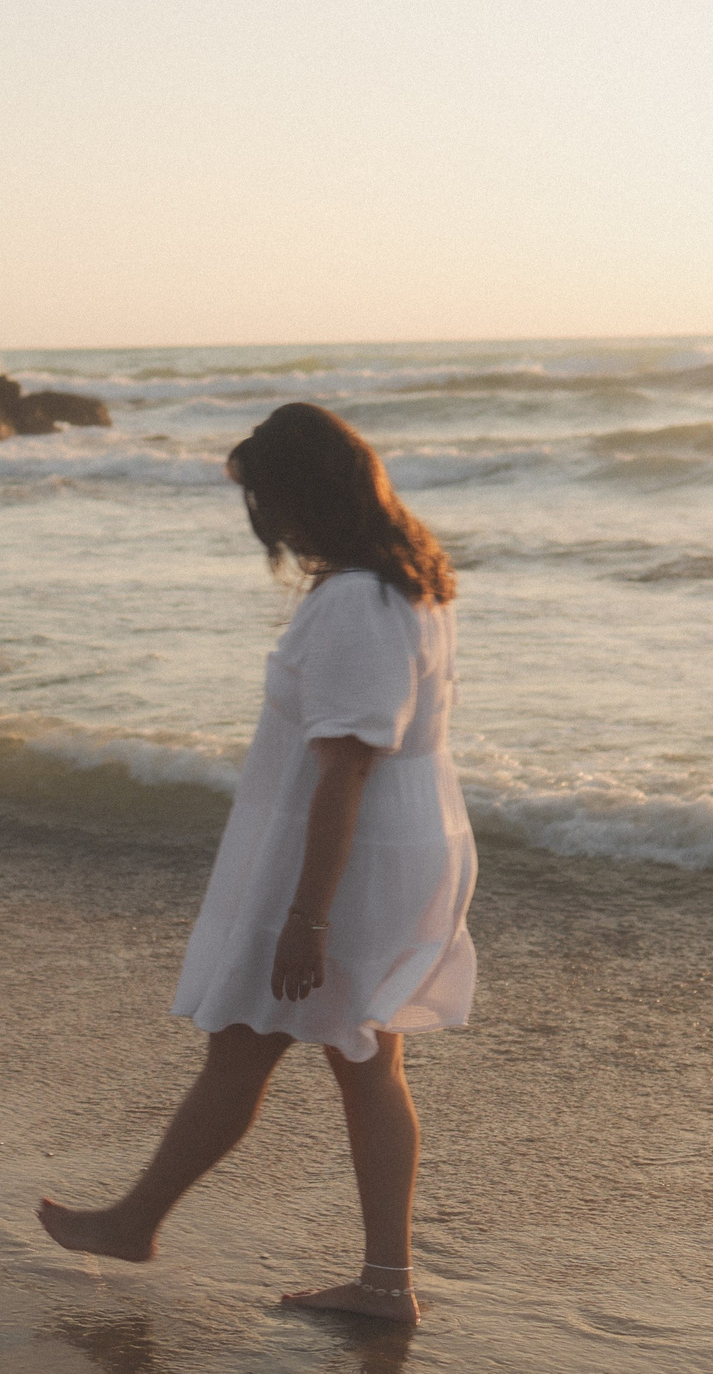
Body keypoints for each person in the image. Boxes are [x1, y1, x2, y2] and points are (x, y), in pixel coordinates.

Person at [37, 402, 475, 1321]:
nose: (266, 525)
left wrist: (306, 916)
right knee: (358, 1057)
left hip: (348, 858)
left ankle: (137, 1221)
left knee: (251, 1043)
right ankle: (383, 1281)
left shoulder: (359, 599)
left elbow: (349, 764)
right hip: (395, 839)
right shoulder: (405, 582)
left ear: (306, 494)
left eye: (270, 501)